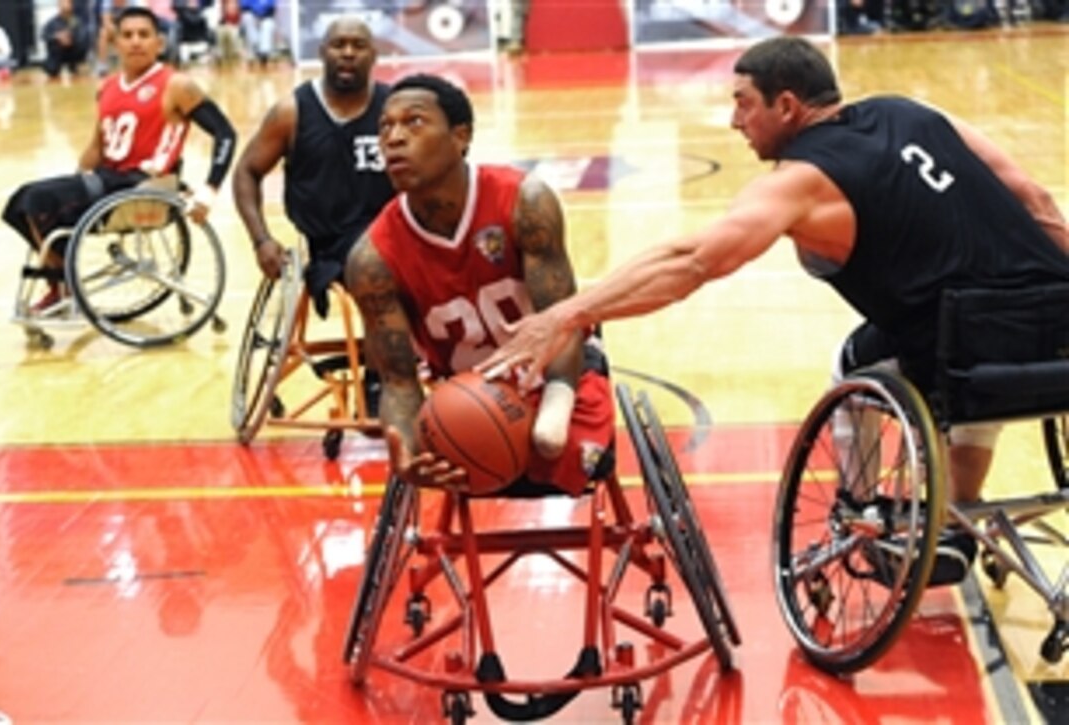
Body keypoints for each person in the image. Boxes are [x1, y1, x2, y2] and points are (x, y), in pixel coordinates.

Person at [478, 36, 1069, 583]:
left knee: (862, 363)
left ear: (787, 105)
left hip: (963, 347)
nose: (734, 121)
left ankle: (860, 504)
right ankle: (959, 512)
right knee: (967, 333)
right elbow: (1038, 200)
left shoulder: (803, 181)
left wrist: (565, 314)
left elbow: (691, 262)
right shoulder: (912, 111)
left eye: (742, 104)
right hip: (1053, 324)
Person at [346, 73, 615, 497]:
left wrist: (554, 409)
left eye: (413, 123)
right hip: (467, 403)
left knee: (574, 456)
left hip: (560, 380)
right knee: (452, 457)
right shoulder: (372, 258)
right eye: (385, 127)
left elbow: (563, 321)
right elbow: (398, 380)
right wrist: (409, 452)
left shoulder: (524, 200)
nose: (394, 138)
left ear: (461, 136)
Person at [2, 6, 237, 312]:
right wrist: (75, 180)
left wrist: (210, 188)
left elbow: (226, 133)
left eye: (144, 34)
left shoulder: (176, 84)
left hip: (143, 183)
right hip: (107, 182)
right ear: (115, 43)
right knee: (19, 205)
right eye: (127, 35)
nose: (136, 41)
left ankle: (63, 285)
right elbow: (98, 147)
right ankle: (61, 282)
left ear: (159, 43)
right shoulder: (108, 87)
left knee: (37, 199)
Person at [232, 16, 394, 412]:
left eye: (359, 45)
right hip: (331, 245)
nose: (349, 53)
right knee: (375, 265)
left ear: (374, 54)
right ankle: (379, 382)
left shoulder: (395, 108)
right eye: (339, 44)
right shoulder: (292, 112)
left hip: (395, 232)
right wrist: (261, 240)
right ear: (322, 51)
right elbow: (246, 172)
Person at [42, 0, 92, 81]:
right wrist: (57, 37)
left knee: (84, 42)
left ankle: (77, 64)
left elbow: (83, 36)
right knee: (51, 67)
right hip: (58, 52)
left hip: (73, 50)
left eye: (67, 3)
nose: (65, 5)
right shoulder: (52, 22)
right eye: (62, 3)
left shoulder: (77, 21)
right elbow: (43, 35)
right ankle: (53, 66)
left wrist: (71, 38)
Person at [239, 0, 275, 66]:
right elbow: (244, 8)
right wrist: (255, 17)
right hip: (252, 17)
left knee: (268, 24)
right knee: (247, 17)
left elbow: (271, 10)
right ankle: (255, 47)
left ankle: (264, 54)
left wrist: (261, 18)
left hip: (265, 18)